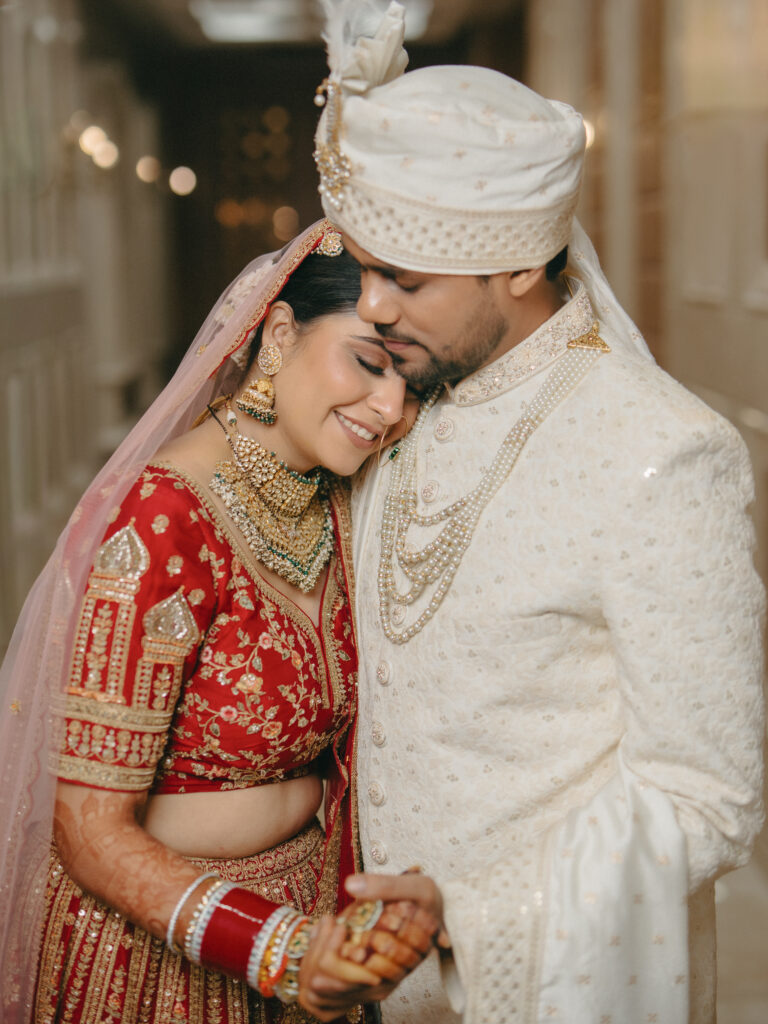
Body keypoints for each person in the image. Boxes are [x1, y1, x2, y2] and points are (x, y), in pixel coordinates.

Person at [301, 3, 767, 1022]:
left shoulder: (659, 452)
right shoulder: (399, 395)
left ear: (518, 264)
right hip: (363, 983)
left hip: (545, 987)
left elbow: (708, 795)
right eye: (365, 269)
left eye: (406, 278)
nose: (372, 306)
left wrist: (471, 915)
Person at [0, 219, 435, 1024]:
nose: (389, 408)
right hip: (165, 962)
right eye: (369, 364)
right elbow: (87, 828)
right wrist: (273, 946)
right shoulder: (165, 519)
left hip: (314, 936)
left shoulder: (341, 501)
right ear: (276, 335)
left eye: (412, 383)